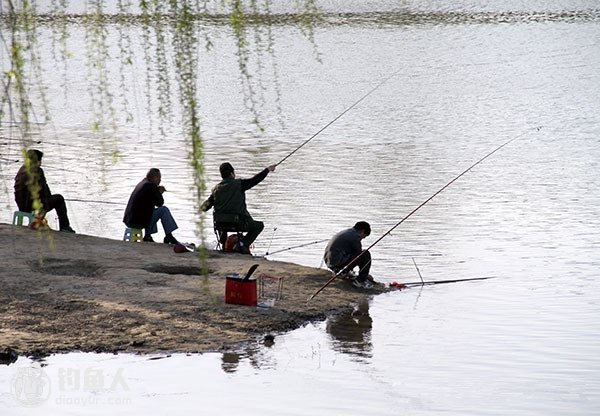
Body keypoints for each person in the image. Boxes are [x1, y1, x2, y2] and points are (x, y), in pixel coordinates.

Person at [201, 162, 276, 254]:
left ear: (222, 175)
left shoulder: (216, 190)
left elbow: (204, 208)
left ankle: (224, 244)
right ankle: (242, 244)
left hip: (220, 225)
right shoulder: (239, 184)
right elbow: (255, 180)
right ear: (232, 173)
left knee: (223, 219)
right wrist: (267, 170)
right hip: (239, 223)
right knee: (259, 226)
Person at [14, 149, 75, 233]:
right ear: (37, 161)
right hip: (32, 206)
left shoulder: (22, 169)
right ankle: (65, 227)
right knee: (59, 199)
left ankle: (38, 220)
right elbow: (44, 191)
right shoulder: (37, 171)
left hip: (21, 205)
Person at [123, 168, 179, 244]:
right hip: (137, 221)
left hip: (129, 220)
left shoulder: (143, 183)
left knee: (150, 209)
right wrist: (159, 193)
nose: (160, 181)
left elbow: (150, 201)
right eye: (159, 178)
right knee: (164, 210)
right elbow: (160, 203)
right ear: (155, 178)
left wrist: (156, 191)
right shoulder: (151, 186)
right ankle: (169, 236)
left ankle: (148, 236)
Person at [324, 221, 373, 289]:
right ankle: (361, 281)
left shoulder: (348, 232)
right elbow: (359, 255)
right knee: (365, 254)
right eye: (363, 237)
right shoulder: (354, 237)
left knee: (357, 254)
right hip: (336, 262)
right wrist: (365, 275)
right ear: (362, 231)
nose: (362, 239)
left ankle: (343, 272)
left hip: (330, 262)